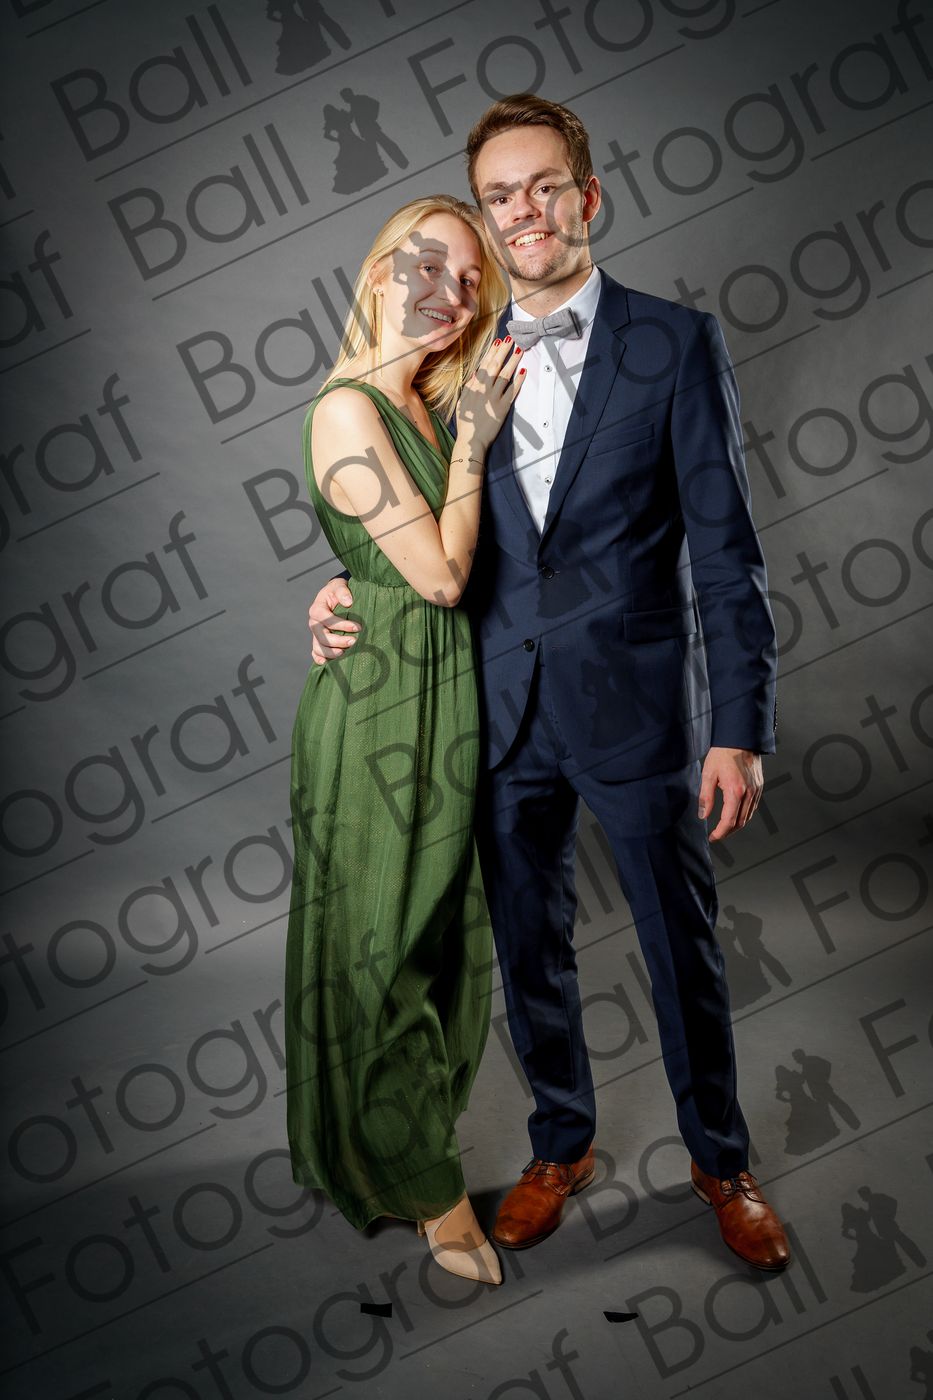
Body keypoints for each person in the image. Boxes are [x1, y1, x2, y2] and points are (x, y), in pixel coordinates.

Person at [308, 95, 790, 1271]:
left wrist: (740, 725)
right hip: (489, 706)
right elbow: (394, 509)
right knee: (528, 948)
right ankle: (559, 1142)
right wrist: (335, 593)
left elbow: (727, 551)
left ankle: (721, 1159)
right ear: (486, 215)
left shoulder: (675, 343)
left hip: (633, 707)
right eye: (499, 195)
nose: (521, 210)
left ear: (588, 196)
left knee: (681, 945)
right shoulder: (448, 352)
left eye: (543, 186)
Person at [284, 192, 524, 1287]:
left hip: (444, 694)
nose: (452, 294)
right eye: (430, 268)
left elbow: (387, 554)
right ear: (383, 272)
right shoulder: (350, 409)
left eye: (470, 280)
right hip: (382, 708)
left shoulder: (425, 399)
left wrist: (337, 581)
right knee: (381, 946)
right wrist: (473, 442)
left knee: (436, 938)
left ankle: (391, 1143)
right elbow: (436, 577)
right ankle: (433, 1193)